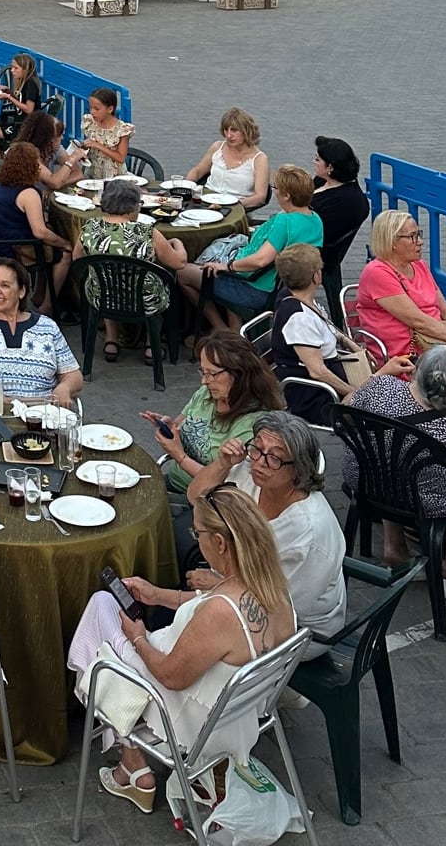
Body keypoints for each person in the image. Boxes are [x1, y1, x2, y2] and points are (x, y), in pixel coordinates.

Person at [67, 484, 295, 814]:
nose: (196, 538)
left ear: (219, 542)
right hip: (242, 711)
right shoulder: (272, 586)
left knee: (101, 607)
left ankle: (132, 761)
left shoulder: (221, 611)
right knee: (106, 612)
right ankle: (130, 762)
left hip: (188, 715)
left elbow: (171, 676)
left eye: (197, 531)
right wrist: (160, 596)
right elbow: (216, 606)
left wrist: (138, 636)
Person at [188, 413, 347, 648]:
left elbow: (278, 610)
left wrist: (218, 584)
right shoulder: (251, 474)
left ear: (298, 469)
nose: (260, 462)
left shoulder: (309, 534)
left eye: (275, 458)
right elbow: (196, 497)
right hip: (242, 586)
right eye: (257, 449)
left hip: (299, 631)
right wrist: (223, 463)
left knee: (204, 642)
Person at [342, 345, 446, 589]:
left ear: (416, 371)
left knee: (390, 459)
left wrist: (380, 373)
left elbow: (344, 409)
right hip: (423, 501)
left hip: (365, 482)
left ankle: (393, 545)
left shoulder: (381, 388)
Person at [145, 332, 284, 503]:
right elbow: (182, 424)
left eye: (212, 373)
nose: (204, 381)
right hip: (175, 483)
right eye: (202, 372)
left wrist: (178, 455)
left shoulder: (254, 424)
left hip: (207, 501)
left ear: (239, 374)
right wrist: (169, 427)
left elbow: (225, 482)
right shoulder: (208, 393)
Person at [185, 161, 325, 330]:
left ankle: (220, 328)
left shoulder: (284, 221)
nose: (274, 191)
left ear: (287, 195)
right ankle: (234, 328)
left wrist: (226, 266)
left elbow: (260, 260)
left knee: (182, 273)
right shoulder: (315, 219)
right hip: (280, 286)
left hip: (255, 287)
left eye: (276, 188)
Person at [270, 243, 402, 417]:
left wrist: (355, 347)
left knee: (395, 392)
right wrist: (355, 393)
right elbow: (317, 371)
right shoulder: (299, 319)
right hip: (319, 397)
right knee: (396, 402)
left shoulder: (297, 299)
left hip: (333, 382)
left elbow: (330, 332)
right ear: (316, 277)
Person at [72, 178, 186, 362]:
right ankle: (151, 344)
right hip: (144, 299)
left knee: (106, 282)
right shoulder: (147, 233)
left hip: (102, 297)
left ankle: (111, 340)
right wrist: (178, 244)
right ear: (133, 207)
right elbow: (179, 263)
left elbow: (77, 259)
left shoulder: (89, 228)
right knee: (163, 281)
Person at [0, 254, 82, 407]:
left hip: (41, 415)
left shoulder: (48, 327)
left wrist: (64, 388)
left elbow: (73, 375)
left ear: (21, 291)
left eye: (5, 285)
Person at [357, 207, 446, 360]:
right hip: (406, 355)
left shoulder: (419, 265)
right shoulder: (377, 272)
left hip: (437, 344)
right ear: (392, 241)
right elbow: (418, 321)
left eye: (419, 234)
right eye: (412, 236)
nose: (420, 242)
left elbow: (445, 310)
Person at [0, 141, 73, 305]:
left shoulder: (2, 185)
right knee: (64, 253)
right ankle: (48, 307)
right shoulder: (28, 193)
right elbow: (40, 232)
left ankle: (39, 294)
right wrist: (64, 242)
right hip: (12, 250)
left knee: (48, 242)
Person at [182, 107, 270, 209]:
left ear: (246, 131)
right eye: (226, 130)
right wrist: (185, 187)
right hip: (206, 201)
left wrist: (234, 205)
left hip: (235, 207)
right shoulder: (217, 147)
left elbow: (260, 197)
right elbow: (197, 172)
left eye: (234, 130)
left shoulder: (260, 159)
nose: (228, 135)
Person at [311, 134, 369, 256]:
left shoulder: (348, 202)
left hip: (311, 254)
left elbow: (317, 233)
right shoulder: (322, 179)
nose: (313, 162)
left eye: (317, 159)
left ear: (330, 167)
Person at [0, 51, 42, 164]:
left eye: (16, 68)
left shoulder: (30, 84)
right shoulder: (24, 82)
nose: (12, 70)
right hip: (19, 123)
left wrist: (9, 97)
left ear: (25, 70)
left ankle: (0, 166)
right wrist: (8, 92)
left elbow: (29, 109)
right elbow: (21, 99)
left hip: (25, 127)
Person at [16, 108, 87, 190]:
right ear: (47, 139)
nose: (62, 138)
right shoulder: (26, 154)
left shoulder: (55, 149)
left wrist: (52, 188)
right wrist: (71, 159)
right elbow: (54, 183)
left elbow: (78, 174)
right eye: (59, 135)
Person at [80, 85, 133, 181]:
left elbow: (121, 158)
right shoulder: (90, 122)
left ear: (110, 109)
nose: (92, 112)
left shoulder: (121, 129)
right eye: (90, 108)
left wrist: (98, 145)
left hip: (113, 176)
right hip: (93, 172)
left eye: (97, 109)